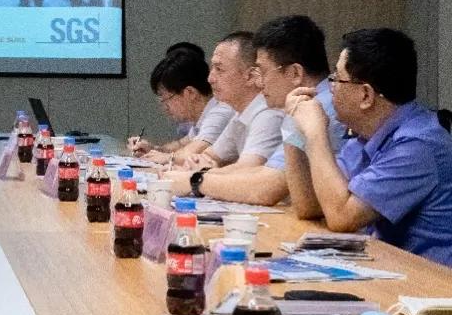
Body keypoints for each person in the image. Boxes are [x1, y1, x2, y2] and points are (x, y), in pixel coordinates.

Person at [289, 28, 452, 266]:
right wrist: (294, 129)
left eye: (337, 79)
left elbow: (341, 216)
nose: (331, 87)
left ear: (366, 95)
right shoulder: (366, 136)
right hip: (393, 267)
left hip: (432, 280)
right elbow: (310, 205)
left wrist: (316, 134)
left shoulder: (418, 145)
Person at [162, 32, 284, 202]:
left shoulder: (268, 112)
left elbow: (247, 171)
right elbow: (207, 156)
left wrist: (197, 177)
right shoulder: (240, 113)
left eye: (219, 69)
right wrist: (201, 168)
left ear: (250, 76)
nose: (210, 78)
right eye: (212, 69)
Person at [253, 15, 348, 215]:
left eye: (263, 72)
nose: (259, 82)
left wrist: (198, 180)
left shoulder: (323, 106)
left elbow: (268, 188)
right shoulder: (308, 102)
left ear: (295, 73)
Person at [129, 48, 233, 163]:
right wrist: (153, 150)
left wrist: (167, 158)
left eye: (166, 99)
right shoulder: (203, 116)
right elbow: (182, 145)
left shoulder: (220, 112)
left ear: (190, 93)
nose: (164, 106)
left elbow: (193, 153)